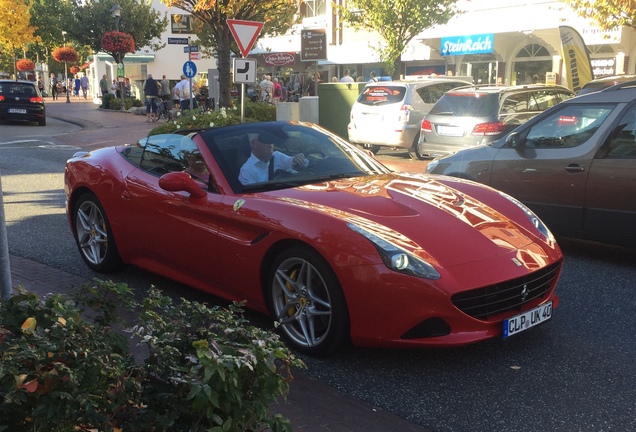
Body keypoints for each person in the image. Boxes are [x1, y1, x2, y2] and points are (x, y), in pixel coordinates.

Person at [239, 133, 307, 185]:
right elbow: (252, 197)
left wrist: (298, 158)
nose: (270, 142)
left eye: (271, 138)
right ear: (254, 144)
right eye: (265, 138)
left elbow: (292, 162)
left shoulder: (277, 156)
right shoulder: (247, 170)